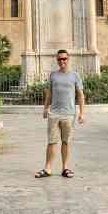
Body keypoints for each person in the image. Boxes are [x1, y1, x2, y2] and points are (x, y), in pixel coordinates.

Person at [35, 49, 85, 179]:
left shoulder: (75, 76)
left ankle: (65, 168)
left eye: (64, 59)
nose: (62, 61)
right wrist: (46, 108)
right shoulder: (53, 75)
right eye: (59, 59)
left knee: (66, 142)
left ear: (68, 60)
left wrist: (81, 113)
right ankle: (48, 168)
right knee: (51, 141)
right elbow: (49, 93)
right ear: (57, 60)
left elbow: (80, 95)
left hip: (69, 114)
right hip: (54, 114)